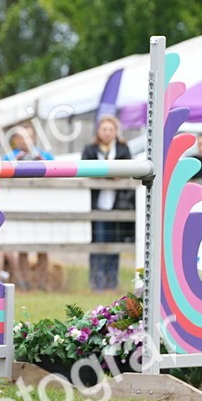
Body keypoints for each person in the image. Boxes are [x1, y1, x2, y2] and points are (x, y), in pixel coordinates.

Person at [81, 115, 134, 292]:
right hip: (98, 204)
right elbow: (84, 169)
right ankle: (96, 281)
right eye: (104, 129)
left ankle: (112, 281)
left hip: (118, 205)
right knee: (98, 242)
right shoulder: (90, 149)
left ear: (115, 131)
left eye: (111, 129)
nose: (107, 133)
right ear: (98, 131)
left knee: (114, 244)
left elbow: (129, 170)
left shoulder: (123, 149)